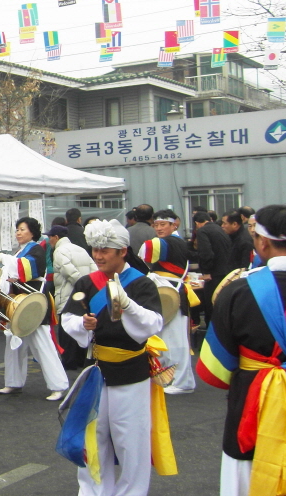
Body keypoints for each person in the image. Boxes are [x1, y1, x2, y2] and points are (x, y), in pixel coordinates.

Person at [59, 219, 173, 496]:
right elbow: (68, 317)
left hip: (131, 370)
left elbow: (153, 324)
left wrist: (128, 304)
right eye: (95, 250)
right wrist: (82, 323)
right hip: (96, 369)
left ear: (122, 251)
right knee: (94, 435)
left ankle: (132, 491)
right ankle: (93, 490)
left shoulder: (142, 283)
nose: (98, 256)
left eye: (105, 251)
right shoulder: (87, 282)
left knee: (130, 438)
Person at [196, 204, 286, 496]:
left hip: (251, 403)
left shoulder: (237, 290)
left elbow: (214, 369)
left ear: (263, 242)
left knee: (245, 477)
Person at [0, 217, 69, 400]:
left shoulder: (36, 249)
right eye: (17, 229)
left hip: (34, 302)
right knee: (13, 344)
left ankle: (58, 386)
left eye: (22, 229)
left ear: (32, 232)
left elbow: (25, 270)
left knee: (43, 344)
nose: (18, 233)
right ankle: (13, 382)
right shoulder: (21, 251)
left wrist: (5, 259)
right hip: (19, 302)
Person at [138, 210, 197, 395]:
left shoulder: (172, 242)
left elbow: (146, 251)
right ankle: (168, 378)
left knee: (176, 340)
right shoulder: (171, 242)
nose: (159, 228)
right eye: (156, 225)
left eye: (163, 224)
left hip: (173, 294)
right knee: (164, 339)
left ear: (174, 225)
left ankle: (182, 381)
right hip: (167, 292)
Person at [49, 224, 97, 371]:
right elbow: (94, 269)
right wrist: (90, 288)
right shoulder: (80, 249)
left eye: (50, 237)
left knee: (66, 327)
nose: (49, 240)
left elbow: (69, 272)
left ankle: (69, 361)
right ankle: (81, 358)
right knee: (81, 325)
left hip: (68, 294)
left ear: (56, 237)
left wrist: (82, 286)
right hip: (83, 296)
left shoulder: (59, 251)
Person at [189, 211, 235, 327]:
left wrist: (206, 271)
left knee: (210, 306)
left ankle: (211, 332)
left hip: (213, 273)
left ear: (197, 223)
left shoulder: (202, 231)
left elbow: (206, 253)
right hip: (225, 271)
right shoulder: (219, 229)